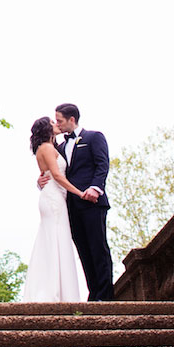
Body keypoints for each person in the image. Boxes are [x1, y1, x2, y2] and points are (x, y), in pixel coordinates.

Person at [38, 103, 114, 301]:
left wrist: (95, 188)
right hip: (69, 206)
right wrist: (41, 180)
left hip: (92, 202)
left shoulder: (94, 137)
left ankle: (105, 297)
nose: (58, 125)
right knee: (84, 251)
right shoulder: (59, 147)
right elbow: (55, 172)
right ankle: (94, 293)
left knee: (98, 248)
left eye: (61, 121)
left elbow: (102, 165)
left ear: (72, 119)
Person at [21, 116, 83, 302]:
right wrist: (79, 193)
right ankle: (52, 292)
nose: (56, 125)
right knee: (55, 239)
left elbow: (45, 174)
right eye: (52, 123)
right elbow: (56, 175)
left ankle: (57, 289)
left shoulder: (49, 148)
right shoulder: (47, 148)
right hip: (53, 199)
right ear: (46, 130)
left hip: (54, 196)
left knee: (54, 239)